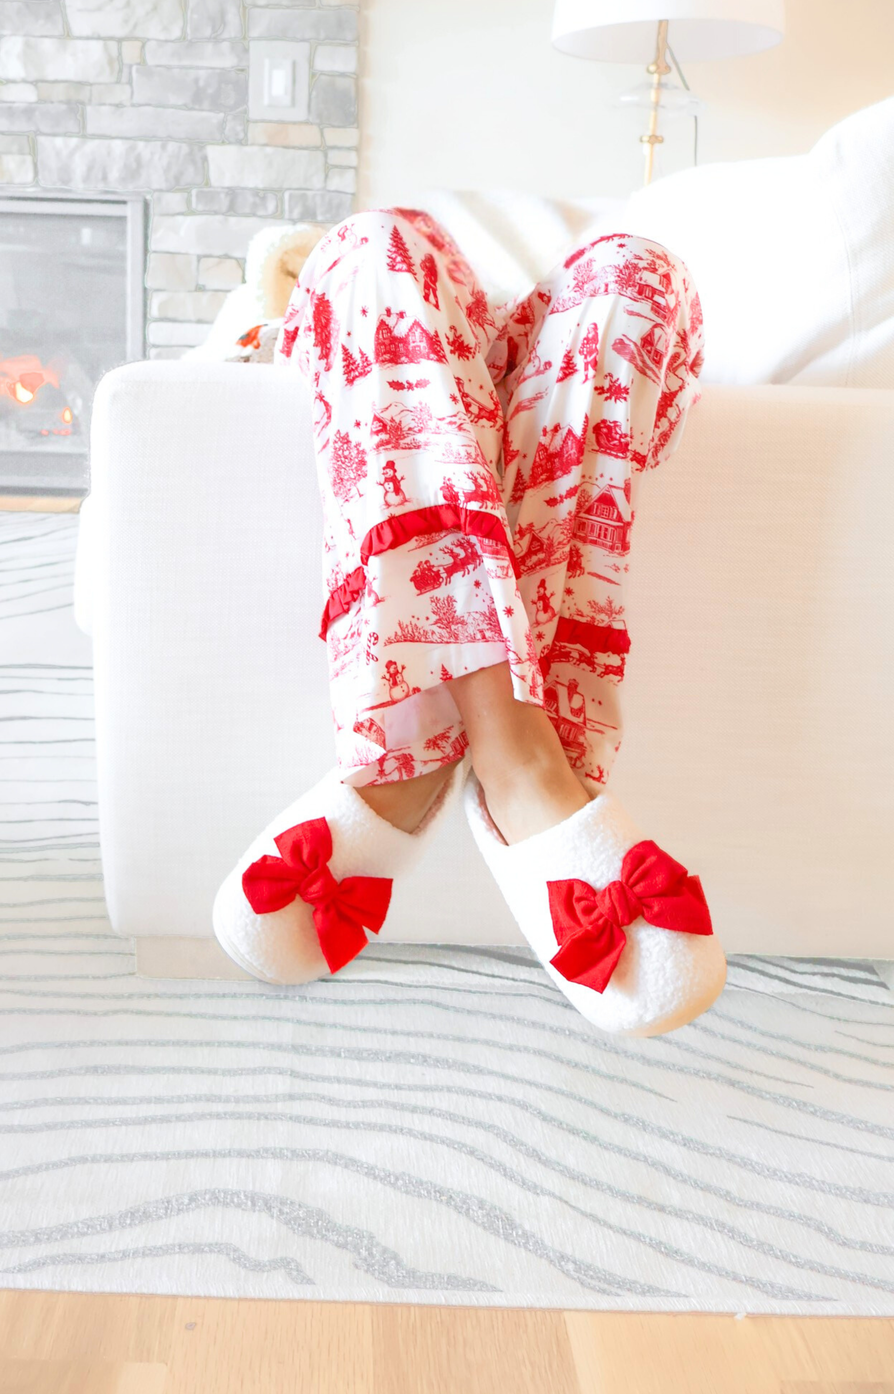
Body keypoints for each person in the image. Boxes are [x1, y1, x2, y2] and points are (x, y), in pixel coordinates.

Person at [213, 208, 726, 1036]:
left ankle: (428, 738)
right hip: (428, 313)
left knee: (641, 268)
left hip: (555, 340)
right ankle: (515, 746)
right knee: (370, 244)